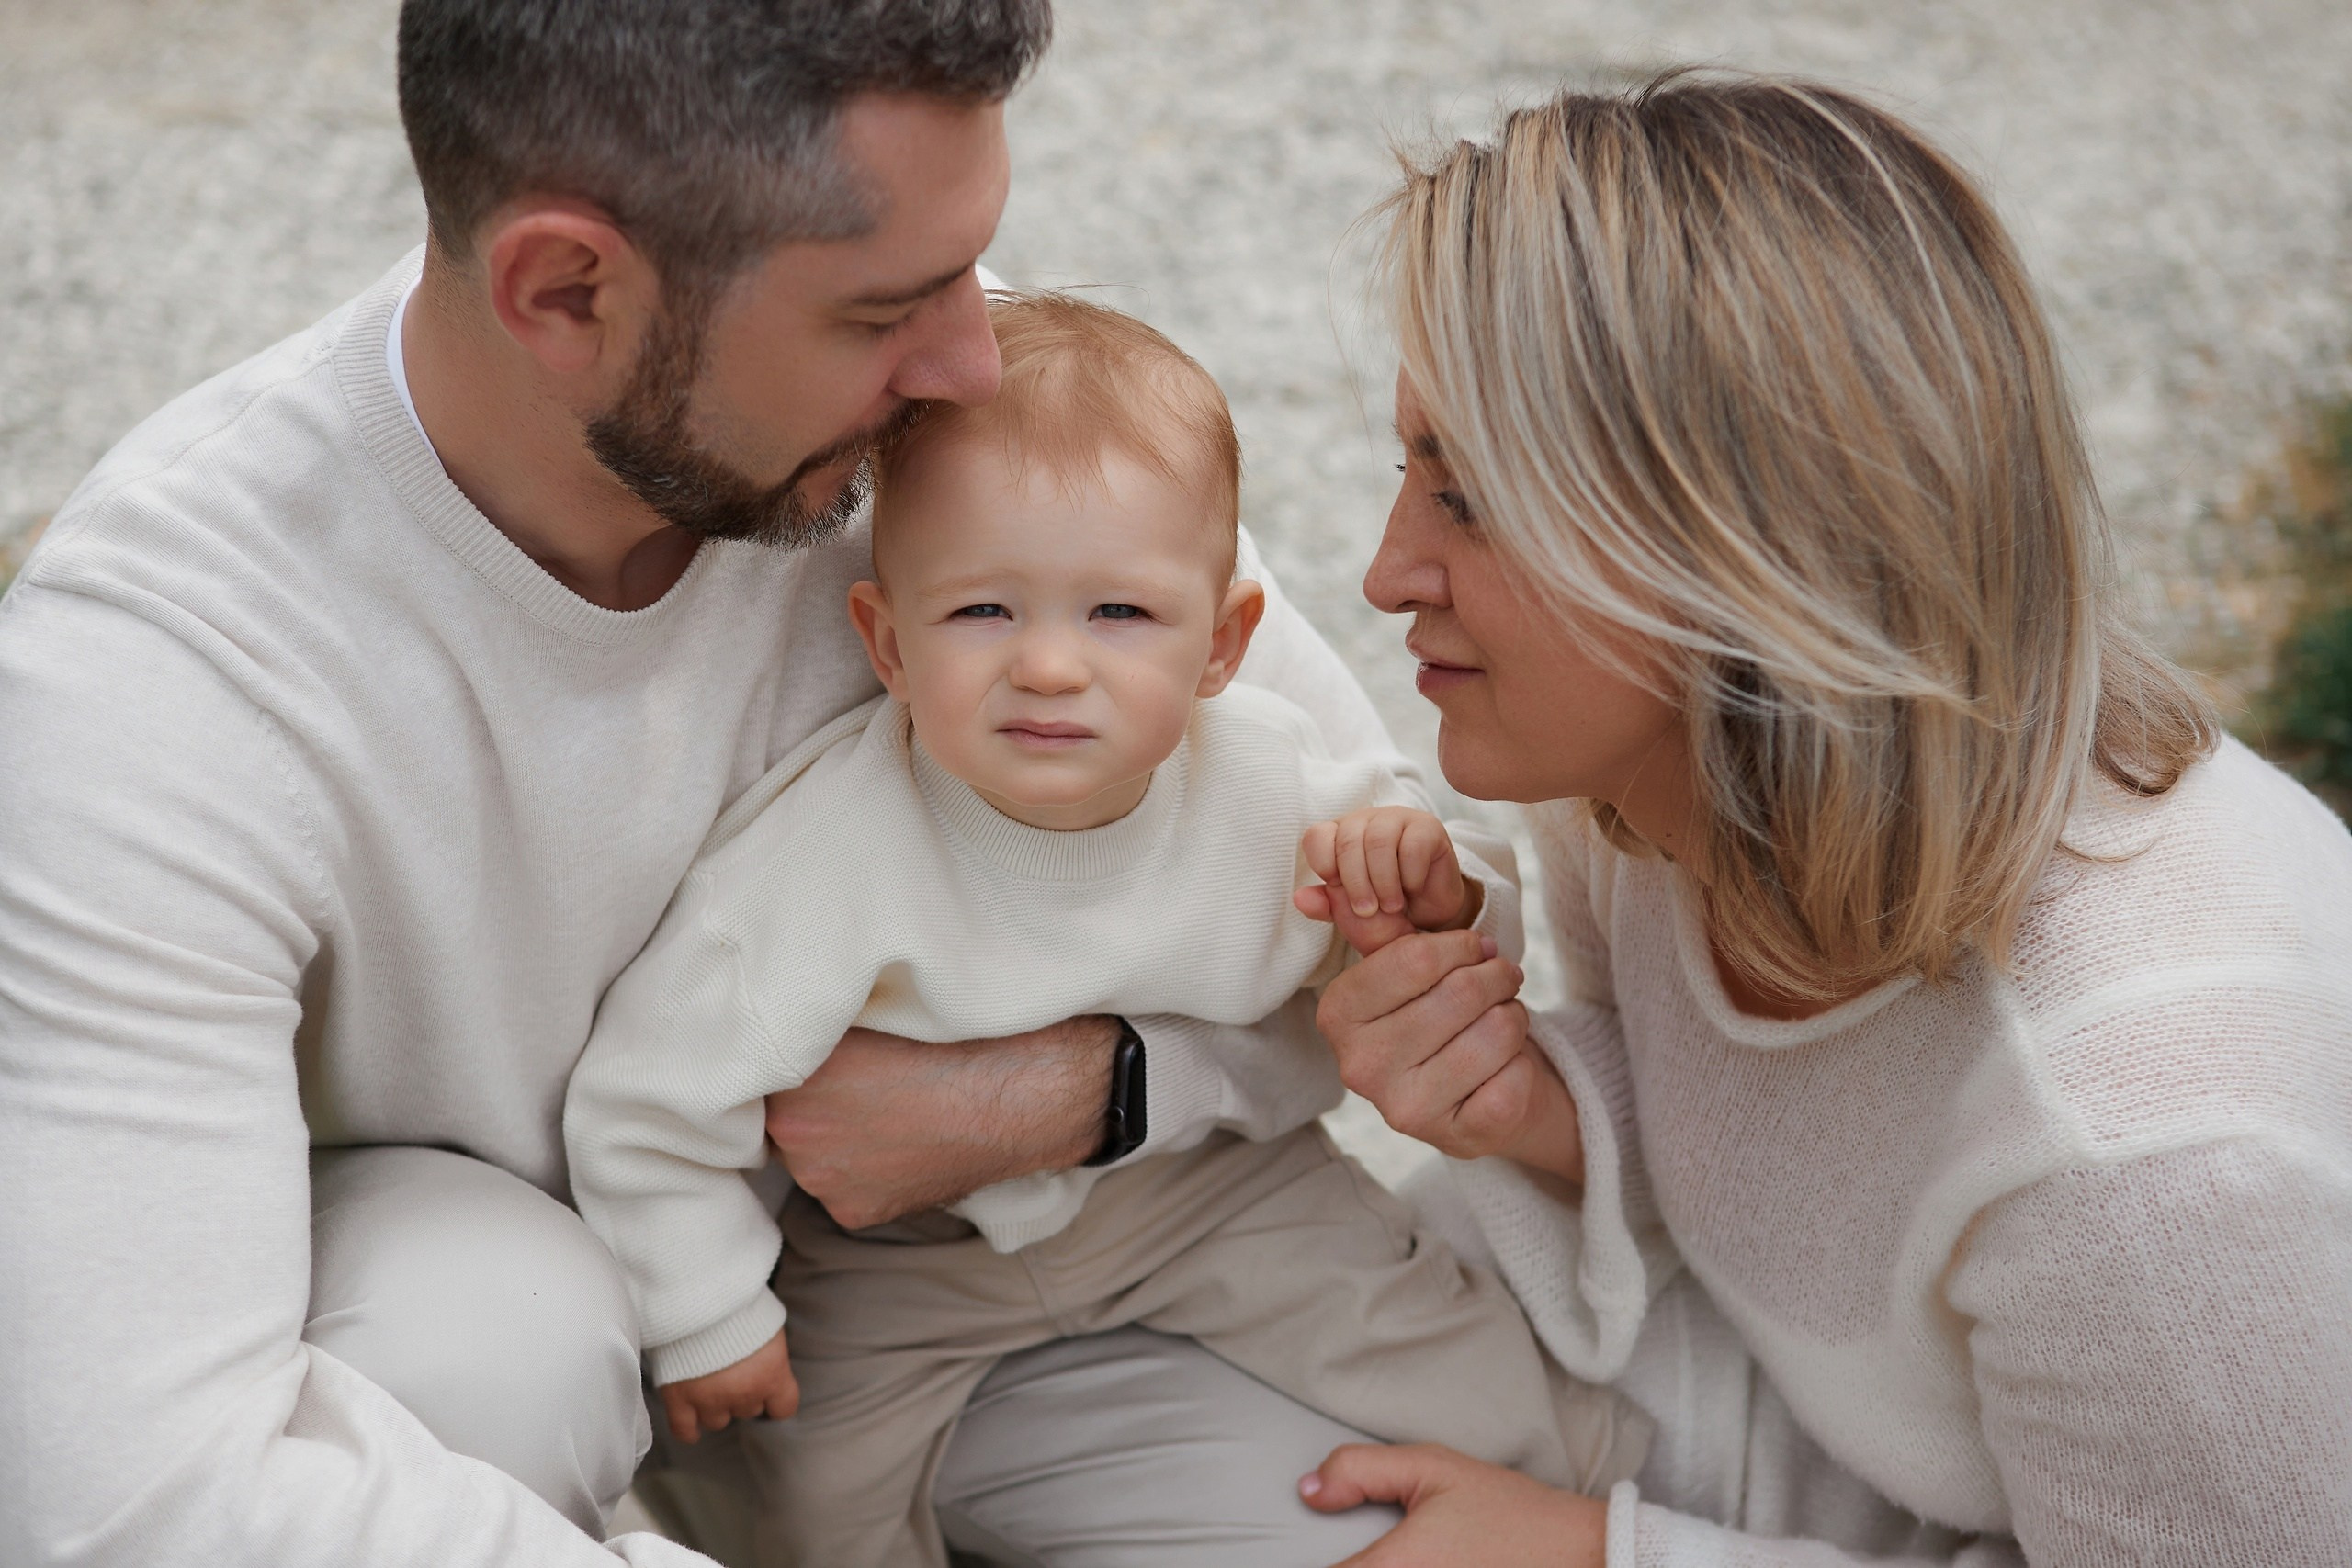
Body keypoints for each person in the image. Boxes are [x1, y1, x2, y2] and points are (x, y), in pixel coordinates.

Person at [0, 5, 1440, 1564]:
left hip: (938, 1301)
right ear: (566, 291)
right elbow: (121, 1495)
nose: (972, 356)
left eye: (972, 266)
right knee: (492, 1332)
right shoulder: (158, 681)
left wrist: (1090, 1093)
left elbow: (1361, 896)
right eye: (889, 306)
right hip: (454, 1342)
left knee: (1380, 1524)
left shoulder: (965, 428)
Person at [1283, 73, 2352, 1566]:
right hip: (1853, 1446)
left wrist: (1606, 1556)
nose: (1387, 571)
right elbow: (1796, 1162)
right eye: (1413, 468)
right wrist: (1551, 1114)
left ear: (1736, 555)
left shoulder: (2147, 1157)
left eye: (1470, 501)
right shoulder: (1647, 777)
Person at [564, 293, 1650, 1567]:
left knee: (1464, 1372)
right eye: (983, 614)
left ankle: (1614, 1503)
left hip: (1212, 1194)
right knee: (811, 1500)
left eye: (1117, 616)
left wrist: (1432, 896)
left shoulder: (1274, 787)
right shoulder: (824, 858)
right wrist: (705, 1314)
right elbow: (649, 1096)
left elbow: (1454, 949)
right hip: (909, 1261)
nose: (1050, 668)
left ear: (1222, 645)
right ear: (889, 644)